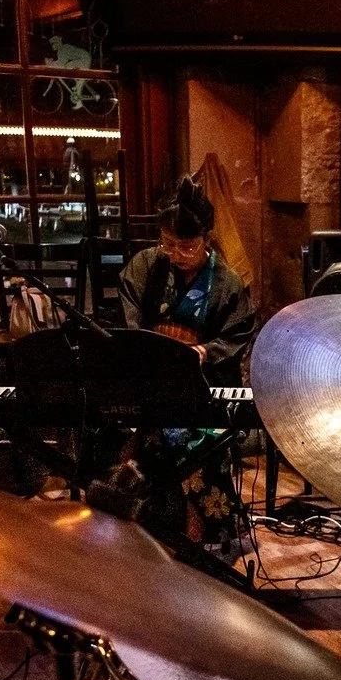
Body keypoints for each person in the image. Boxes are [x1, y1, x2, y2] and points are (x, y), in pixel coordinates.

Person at [109, 175, 258, 548]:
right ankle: (137, 535)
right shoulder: (146, 267)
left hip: (201, 386)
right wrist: (148, 351)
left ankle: (201, 539)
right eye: (168, 243)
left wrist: (205, 352)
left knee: (192, 438)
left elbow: (237, 335)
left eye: (186, 246)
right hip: (151, 381)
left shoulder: (225, 283)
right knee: (108, 431)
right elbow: (130, 323)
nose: (175, 254)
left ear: (206, 238)